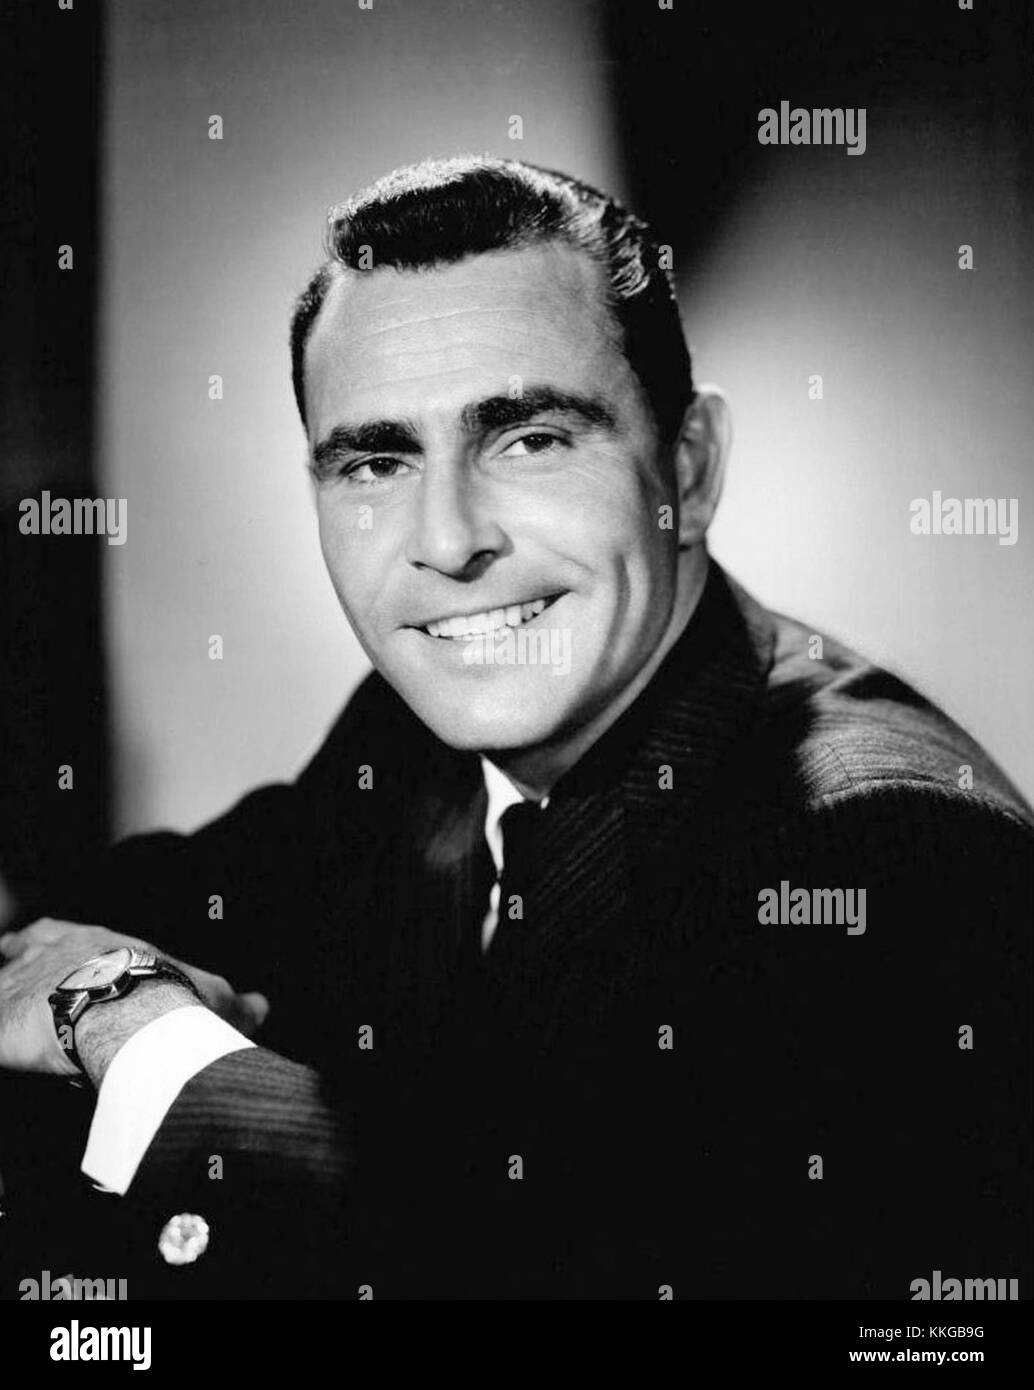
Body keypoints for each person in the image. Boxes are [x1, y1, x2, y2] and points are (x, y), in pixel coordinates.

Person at [1, 156, 1030, 1300]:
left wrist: (137, 1030)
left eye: (529, 438)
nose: (446, 542)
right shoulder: (427, 722)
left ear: (687, 472)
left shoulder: (884, 849)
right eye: (376, 460)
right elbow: (209, 893)